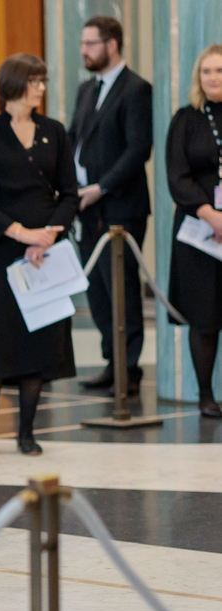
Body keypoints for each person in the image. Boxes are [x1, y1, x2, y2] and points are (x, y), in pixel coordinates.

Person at [0, 54, 79, 456]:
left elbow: (70, 193)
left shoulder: (55, 131)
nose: (41, 88)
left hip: (44, 253)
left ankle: (27, 432)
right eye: (35, 81)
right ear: (14, 84)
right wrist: (20, 232)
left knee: (39, 340)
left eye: (43, 81)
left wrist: (46, 235)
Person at [69, 16, 153, 396]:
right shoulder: (87, 89)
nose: (84, 51)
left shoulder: (136, 90)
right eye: (83, 43)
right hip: (86, 205)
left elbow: (138, 150)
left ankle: (128, 367)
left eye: (90, 44)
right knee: (98, 289)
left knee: (121, 286)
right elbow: (75, 139)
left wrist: (100, 187)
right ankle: (110, 359)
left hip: (120, 207)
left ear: (112, 44)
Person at [165, 44, 222, 419]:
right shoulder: (186, 119)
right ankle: (205, 395)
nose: (213, 78)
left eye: (219, 71)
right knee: (204, 316)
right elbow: (177, 175)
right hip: (197, 232)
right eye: (206, 71)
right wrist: (211, 215)